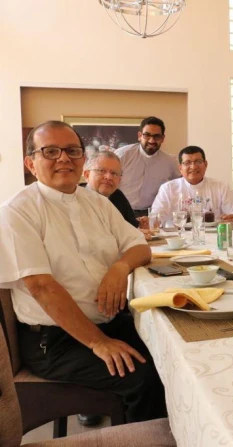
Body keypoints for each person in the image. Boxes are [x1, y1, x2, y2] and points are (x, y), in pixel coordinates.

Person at [0, 121, 166, 423]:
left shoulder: (98, 203)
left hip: (108, 321)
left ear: (82, 158)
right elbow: (41, 287)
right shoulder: (17, 211)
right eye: (50, 151)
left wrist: (119, 267)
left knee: (171, 351)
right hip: (54, 340)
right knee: (144, 377)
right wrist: (98, 342)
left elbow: (140, 247)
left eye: (72, 151)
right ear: (30, 163)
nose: (64, 158)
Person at [151, 145, 233, 225]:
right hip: (178, 236)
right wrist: (150, 221)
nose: (193, 167)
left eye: (198, 162)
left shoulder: (221, 186)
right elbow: (156, 217)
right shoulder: (168, 188)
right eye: (187, 163)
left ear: (205, 164)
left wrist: (232, 218)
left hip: (213, 236)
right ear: (180, 168)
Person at [116, 116, 180, 217]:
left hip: (152, 214)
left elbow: (179, 186)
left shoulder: (170, 162)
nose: (151, 140)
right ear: (139, 136)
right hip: (122, 211)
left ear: (162, 139)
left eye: (157, 136)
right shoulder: (122, 155)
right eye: (147, 135)